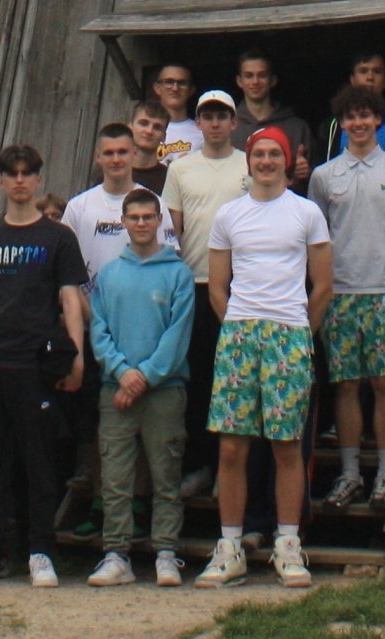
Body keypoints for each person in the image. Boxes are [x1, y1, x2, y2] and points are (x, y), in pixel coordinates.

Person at [195, 126, 333, 590]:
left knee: (287, 445)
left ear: (287, 160)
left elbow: (324, 285)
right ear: (248, 160)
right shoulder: (229, 215)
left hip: (289, 336)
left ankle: (288, 544)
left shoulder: (307, 212)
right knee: (232, 446)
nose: (267, 161)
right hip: (239, 335)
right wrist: (238, 324)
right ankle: (230, 546)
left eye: (276, 154)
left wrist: (297, 334)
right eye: (260, 154)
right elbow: (217, 286)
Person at [0, 144, 89, 586]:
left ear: (39, 180)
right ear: (2, 182)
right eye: (13, 173)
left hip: (37, 366)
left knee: (40, 463)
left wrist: (77, 357)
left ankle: (41, 552)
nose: (21, 180)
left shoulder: (58, 237)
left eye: (29, 173)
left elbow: (71, 299)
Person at [310, 83, 385, 512]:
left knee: (384, 383)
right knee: (346, 385)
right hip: (340, 294)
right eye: (351, 117)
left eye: (366, 116)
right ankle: (351, 472)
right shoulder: (324, 177)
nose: (358, 124)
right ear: (342, 124)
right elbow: (316, 237)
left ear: (379, 120)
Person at [86, 189, 196, 587]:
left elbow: (177, 334)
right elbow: (98, 329)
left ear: (160, 220)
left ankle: (166, 552)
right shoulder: (110, 274)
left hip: (164, 390)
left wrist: (145, 376)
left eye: (149, 216)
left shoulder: (179, 273)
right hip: (115, 390)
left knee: (166, 471)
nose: (141, 223)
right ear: (124, 221)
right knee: (115, 475)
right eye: (134, 217)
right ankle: (116, 554)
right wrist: (122, 372)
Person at [162, 90, 250, 497]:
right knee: (198, 381)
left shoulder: (250, 164)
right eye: (207, 116)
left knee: (235, 380)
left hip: (242, 285)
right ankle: (200, 465)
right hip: (196, 284)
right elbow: (172, 229)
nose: (215, 123)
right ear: (197, 124)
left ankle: (231, 471)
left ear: (234, 123)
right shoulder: (181, 169)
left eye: (222, 116)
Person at [67, 122, 179, 281]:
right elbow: (64, 266)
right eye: (109, 153)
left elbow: (168, 262)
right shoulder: (77, 207)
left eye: (122, 152)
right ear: (98, 157)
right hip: (86, 304)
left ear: (134, 153)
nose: (116, 159)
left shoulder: (156, 204)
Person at [233, 50, 307, 187]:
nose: (255, 81)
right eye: (249, 76)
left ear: (273, 80)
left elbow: (316, 181)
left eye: (262, 75)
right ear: (239, 81)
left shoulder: (296, 127)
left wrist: (303, 173)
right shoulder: (228, 127)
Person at [152, 65, 202, 165]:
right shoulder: (145, 130)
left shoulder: (202, 132)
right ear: (157, 88)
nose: (175, 88)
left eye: (182, 83)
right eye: (169, 82)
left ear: (191, 90)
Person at [127, 101, 173, 194]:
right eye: (143, 123)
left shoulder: (170, 180)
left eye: (157, 127)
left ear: (164, 136)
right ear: (130, 128)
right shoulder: (112, 172)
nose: (149, 131)